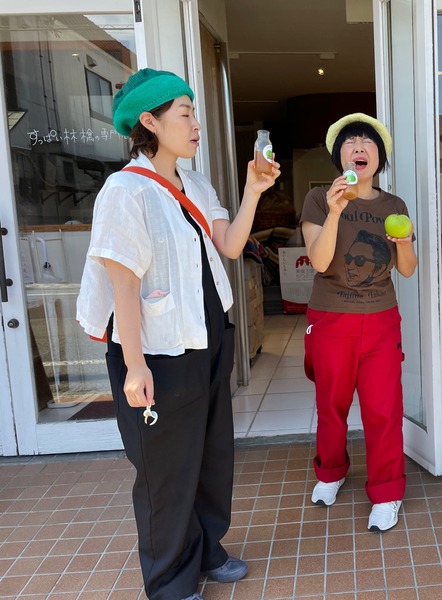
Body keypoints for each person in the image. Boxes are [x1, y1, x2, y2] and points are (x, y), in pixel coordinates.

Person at [76, 68, 281, 600]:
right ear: (149, 121)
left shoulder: (196, 185)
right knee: (165, 468)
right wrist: (135, 366)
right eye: (185, 114)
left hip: (207, 336)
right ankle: (170, 580)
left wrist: (253, 190)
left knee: (210, 455)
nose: (195, 126)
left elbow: (230, 245)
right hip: (157, 352)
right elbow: (123, 284)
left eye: (194, 114)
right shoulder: (125, 191)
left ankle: (207, 550)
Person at [300, 113, 418, 532]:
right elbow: (319, 261)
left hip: (381, 319)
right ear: (340, 156)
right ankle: (330, 472)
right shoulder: (319, 198)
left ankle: (386, 492)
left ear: (379, 157)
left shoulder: (394, 206)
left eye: (368, 141)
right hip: (331, 319)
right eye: (350, 141)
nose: (359, 147)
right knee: (331, 405)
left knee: (383, 409)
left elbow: (407, 269)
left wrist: (404, 242)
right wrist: (336, 211)